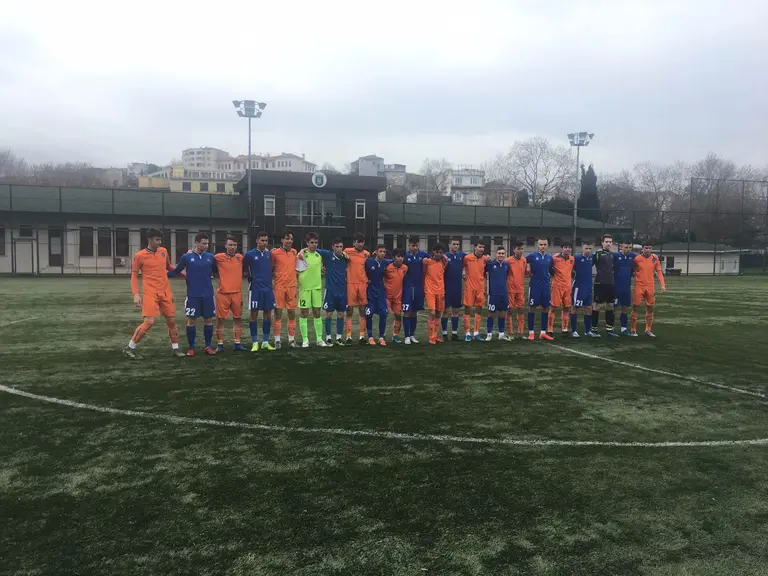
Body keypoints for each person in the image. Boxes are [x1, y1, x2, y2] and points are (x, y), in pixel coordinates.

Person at [124, 228, 184, 359]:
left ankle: (176, 349)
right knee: (149, 322)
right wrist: (135, 294)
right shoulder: (140, 256)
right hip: (150, 293)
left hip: (165, 292)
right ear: (150, 240)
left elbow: (169, 267)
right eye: (157, 240)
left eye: (160, 240)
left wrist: (185, 275)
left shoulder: (163, 251)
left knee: (171, 321)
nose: (160, 242)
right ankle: (130, 347)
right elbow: (134, 275)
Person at [168, 233, 217, 356]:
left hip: (207, 294)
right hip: (193, 295)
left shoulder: (210, 257)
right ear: (196, 243)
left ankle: (208, 346)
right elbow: (176, 271)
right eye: (204, 243)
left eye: (207, 243)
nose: (206, 245)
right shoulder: (187, 257)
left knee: (208, 320)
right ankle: (191, 348)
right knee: (191, 321)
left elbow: (219, 270)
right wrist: (161, 275)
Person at [243, 231, 275, 352]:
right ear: (257, 241)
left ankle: (265, 342)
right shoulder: (250, 254)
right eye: (262, 240)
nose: (264, 243)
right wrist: (249, 276)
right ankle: (255, 343)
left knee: (268, 314)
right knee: (254, 315)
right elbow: (242, 266)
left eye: (266, 241)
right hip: (255, 289)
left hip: (268, 289)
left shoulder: (269, 254)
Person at [314, 237, 348, 346]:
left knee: (341, 314)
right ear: (332, 247)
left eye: (341, 247)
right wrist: (301, 251)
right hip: (330, 291)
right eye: (337, 246)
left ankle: (339, 338)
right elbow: (312, 248)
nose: (339, 249)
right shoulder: (328, 255)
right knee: (328, 314)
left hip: (342, 291)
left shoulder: (346, 258)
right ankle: (328, 338)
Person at [214, 236, 245, 352]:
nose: (232, 247)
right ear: (226, 246)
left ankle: (237, 343)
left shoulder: (240, 258)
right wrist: (191, 251)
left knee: (238, 318)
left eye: (234, 245)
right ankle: (220, 344)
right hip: (223, 293)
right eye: (230, 245)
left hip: (237, 293)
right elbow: (206, 259)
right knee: (220, 319)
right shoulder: (218, 257)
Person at [297, 232, 327, 348]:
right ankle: (305, 340)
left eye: (316, 242)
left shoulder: (319, 256)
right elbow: (297, 270)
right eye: (312, 242)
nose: (314, 244)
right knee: (304, 313)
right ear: (307, 243)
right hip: (305, 288)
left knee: (317, 313)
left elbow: (320, 269)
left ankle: (319, 339)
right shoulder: (301, 255)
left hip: (316, 288)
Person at [631, 242, 666, 337]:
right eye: (646, 248)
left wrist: (663, 285)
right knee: (635, 306)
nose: (648, 250)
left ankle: (648, 330)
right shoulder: (637, 259)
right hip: (639, 285)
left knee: (650, 307)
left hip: (650, 286)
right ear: (642, 248)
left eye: (650, 248)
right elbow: (632, 269)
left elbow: (659, 272)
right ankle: (633, 329)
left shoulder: (655, 259)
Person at [271, 230, 298, 349]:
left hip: (292, 287)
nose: (289, 241)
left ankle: (291, 340)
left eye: (291, 239)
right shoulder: (274, 253)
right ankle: (277, 340)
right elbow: (270, 268)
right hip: (279, 287)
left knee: (292, 313)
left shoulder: (294, 252)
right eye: (287, 238)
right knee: (278, 313)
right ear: (282, 240)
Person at [403, 236, 431, 344]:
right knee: (407, 312)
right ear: (409, 246)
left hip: (419, 287)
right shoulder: (405, 256)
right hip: (408, 288)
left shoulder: (423, 255)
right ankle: (406, 336)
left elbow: (434, 259)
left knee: (414, 312)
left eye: (416, 245)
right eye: (412, 245)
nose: (415, 247)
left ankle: (412, 335)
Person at [344, 233, 370, 345]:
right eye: (358, 242)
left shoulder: (366, 254)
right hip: (351, 284)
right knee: (349, 310)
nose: (360, 244)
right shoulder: (347, 251)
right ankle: (348, 336)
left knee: (362, 310)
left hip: (363, 284)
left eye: (362, 242)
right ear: (354, 242)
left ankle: (362, 336)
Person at [526, 237, 554, 341]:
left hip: (546, 286)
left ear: (547, 246)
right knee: (532, 307)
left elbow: (551, 270)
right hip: (535, 286)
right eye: (541, 244)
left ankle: (543, 332)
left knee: (545, 308)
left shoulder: (550, 258)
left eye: (544, 244)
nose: (543, 246)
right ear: (537, 245)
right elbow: (522, 262)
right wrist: (528, 269)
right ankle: (531, 332)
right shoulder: (532, 256)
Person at [364, 245, 391, 346]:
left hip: (381, 291)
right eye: (381, 251)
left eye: (384, 252)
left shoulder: (386, 263)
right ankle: (370, 337)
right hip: (370, 291)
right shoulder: (369, 262)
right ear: (376, 252)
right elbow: (362, 272)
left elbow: (397, 262)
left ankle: (381, 337)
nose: (383, 253)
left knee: (383, 314)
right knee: (369, 314)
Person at [593, 234, 618, 337]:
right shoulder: (597, 254)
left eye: (610, 242)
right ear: (602, 243)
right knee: (597, 305)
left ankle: (609, 329)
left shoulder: (613, 255)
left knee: (610, 305)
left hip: (610, 283)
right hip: (600, 283)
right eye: (606, 242)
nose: (608, 244)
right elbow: (589, 263)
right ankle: (594, 329)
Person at [570, 240, 597, 338]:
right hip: (578, 287)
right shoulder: (576, 257)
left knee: (588, 308)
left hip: (588, 287)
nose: (588, 250)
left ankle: (587, 331)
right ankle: (574, 331)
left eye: (590, 248)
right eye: (586, 248)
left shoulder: (592, 257)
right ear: (582, 248)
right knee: (575, 308)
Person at [462, 240, 488, 342]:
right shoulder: (467, 258)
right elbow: (462, 267)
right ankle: (467, 333)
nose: (481, 249)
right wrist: (463, 274)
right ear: (475, 247)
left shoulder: (485, 259)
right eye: (479, 247)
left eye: (483, 247)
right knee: (467, 309)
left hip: (480, 288)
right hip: (469, 287)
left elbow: (485, 272)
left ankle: (476, 333)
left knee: (479, 309)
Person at [423, 243, 448, 345]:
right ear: (433, 252)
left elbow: (446, 260)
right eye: (437, 252)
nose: (439, 254)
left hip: (440, 291)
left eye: (441, 252)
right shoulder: (427, 262)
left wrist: (443, 256)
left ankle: (436, 335)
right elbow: (424, 272)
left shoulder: (443, 262)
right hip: (430, 291)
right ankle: (431, 337)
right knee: (432, 313)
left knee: (438, 313)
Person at [442, 237, 466, 340]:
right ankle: (444, 333)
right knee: (445, 311)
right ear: (449, 245)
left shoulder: (462, 256)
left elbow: (473, 258)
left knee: (456, 310)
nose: (456, 246)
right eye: (454, 244)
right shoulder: (445, 256)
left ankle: (454, 333)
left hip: (457, 287)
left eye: (457, 244)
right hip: (446, 288)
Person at [549, 241, 574, 336]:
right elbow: (549, 268)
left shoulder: (572, 259)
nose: (567, 249)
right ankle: (550, 329)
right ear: (562, 248)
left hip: (568, 287)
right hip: (557, 286)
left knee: (567, 307)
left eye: (569, 247)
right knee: (553, 307)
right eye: (565, 247)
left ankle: (565, 329)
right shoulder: (554, 258)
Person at [485, 247, 510, 341]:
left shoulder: (506, 265)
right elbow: (484, 274)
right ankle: (489, 334)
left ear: (505, 254)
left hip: (503, 293)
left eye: (503, 253)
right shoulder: (490, 264)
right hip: (493, 294)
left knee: (502, 314)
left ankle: (501, 334)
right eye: (499, 253)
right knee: (491, 314)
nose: (501, 255)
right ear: (496, 254)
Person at [384, 249, 408, 343]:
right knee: (384, 315)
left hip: (398, 297)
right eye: (398, 256)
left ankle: (395, 336)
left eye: (402, 257)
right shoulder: (388, 267)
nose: (400, 258)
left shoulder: (405, 268)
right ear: (394, 257)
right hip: (387, 296)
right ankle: (382, 335)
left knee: (398, 316)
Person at [505, 242, 527, 340]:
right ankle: (510, 332)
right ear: (514, 250)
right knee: (509, 310)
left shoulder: (524, 260)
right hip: (510, 289)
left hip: (520, 289)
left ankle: (520, 332)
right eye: (518, 249)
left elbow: (524, 272)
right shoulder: (508, 260)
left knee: (521, 310)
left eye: (521, 249)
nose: (520, 251)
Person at [614, 240, 637, 335]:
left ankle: (623, 328)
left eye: (630, 247)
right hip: (616, 286)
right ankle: (610, 328)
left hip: (627, 286)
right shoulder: (615, 256)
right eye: (626, 247)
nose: (628, 249)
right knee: (613, 307)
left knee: (625, 307)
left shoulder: (633, 256)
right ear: (621, 247)